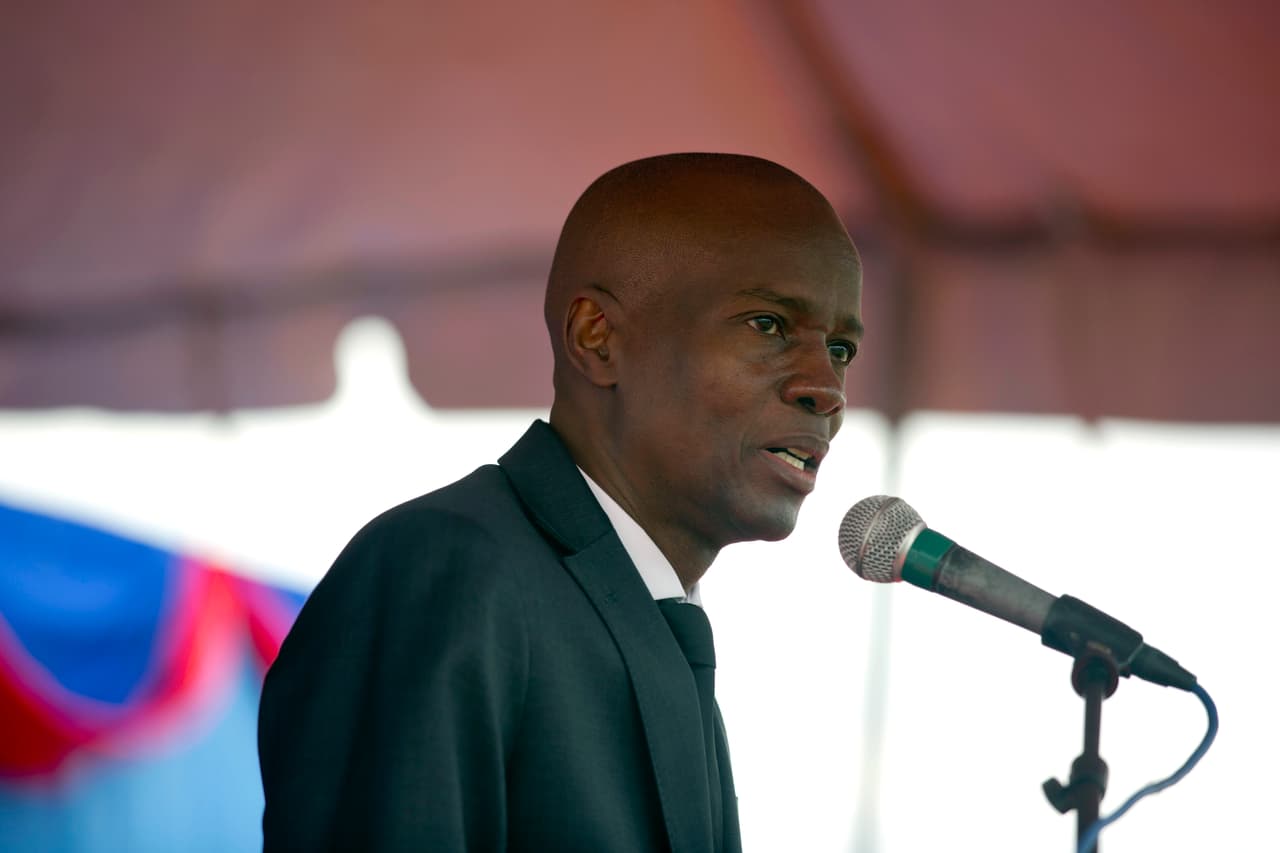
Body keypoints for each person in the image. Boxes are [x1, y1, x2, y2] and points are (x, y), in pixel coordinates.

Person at [258, 152, 864, 852]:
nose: (828, 387)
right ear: (596, 338)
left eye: (842, 348)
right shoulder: (446, 569)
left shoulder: (646, 611)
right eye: (768, 325)